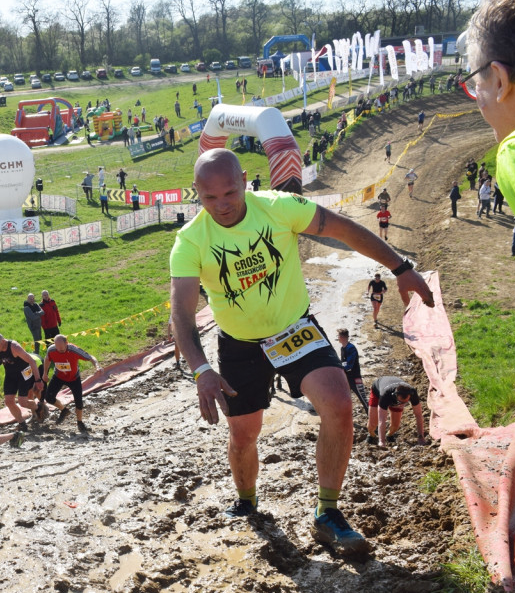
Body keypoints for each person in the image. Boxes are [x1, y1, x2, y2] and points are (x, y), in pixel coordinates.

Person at [169, 148, 434, 554]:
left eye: (230, 192)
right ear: (197, 194)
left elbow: (344, 230)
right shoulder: (190, 241)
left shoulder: (278, 207)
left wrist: (401, 267)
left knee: (339, 403)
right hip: (240, 344)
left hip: (294, 331)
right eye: (210, 197)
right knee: (244, 435)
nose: (222, 205)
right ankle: (247, 501)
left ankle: (327, 512)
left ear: (245, 180)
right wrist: (201, 369)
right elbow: (182, 316)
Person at [0, 333, 46, 430]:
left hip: (23, 374)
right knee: (9, 402)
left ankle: (39, 408)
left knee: (22, 402)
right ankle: (22, 424)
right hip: (10, 375)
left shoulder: (15, 347)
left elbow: (31, 361)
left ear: (3, 341)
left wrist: (38, 380)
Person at [43, 334, 101, 434]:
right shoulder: (52, 350)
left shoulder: (74, 350)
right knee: (48, 397)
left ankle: (80, 422)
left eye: (61, 348)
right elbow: (47, 359)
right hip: (58, 376)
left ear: (66, 343)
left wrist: (97, 366)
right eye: (57, 348)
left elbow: (90, 357)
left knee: (78, 402)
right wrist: (45, 373)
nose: (59, 350)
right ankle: (64, 410)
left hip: (74, 378)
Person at [367, 376, 426, 447]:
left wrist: (421, 437)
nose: (402, 404)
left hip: (394, 398)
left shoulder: (413, 393)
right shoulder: (386, 394)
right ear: (395, 395)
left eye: (405, 402)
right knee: (373, 423)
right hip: (377, 391)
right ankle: (371, 434)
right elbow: (381, 420)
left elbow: (419, 415)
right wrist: (381, 442)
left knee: (395, 426)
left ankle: (389, 435)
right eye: (401, 401)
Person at [337, 329, 369, 411]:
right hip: (346, 378)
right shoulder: (342, 348)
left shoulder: (351, 348)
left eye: (338, 336)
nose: (338, 338)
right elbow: (343, 362)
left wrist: (340, 368)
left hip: (355, 378)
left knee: (363, 399)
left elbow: (349, 365)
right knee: (344, 399)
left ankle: (372, 419)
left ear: (341, 337)